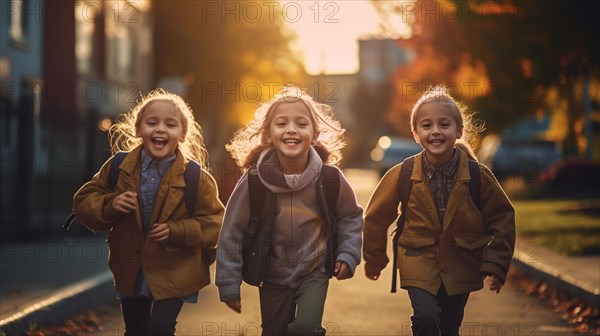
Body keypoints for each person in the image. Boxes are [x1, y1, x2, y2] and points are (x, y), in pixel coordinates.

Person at [363, 85, 516, 336]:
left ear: (459, 130)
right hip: (417, 260)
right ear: (415, 133)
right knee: (425, 317)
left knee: (449, 326)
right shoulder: (403, 173)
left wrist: (497, 264)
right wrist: (375, 258)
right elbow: (376, 218)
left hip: (462, 264)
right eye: (426, 125)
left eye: (444, 124)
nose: (435, 131)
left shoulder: (477, 175)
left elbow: (503, 217)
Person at [72, 88, 225, 336]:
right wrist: (111, 204)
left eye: (170, 124)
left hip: (177, 268)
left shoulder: (196, 178)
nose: (160, 129)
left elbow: (217, 223)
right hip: (132, 268)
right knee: (135, 329)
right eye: (152, 122)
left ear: (183, 134)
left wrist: (179, 230)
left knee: (160, 327)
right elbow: (84, 202)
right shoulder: (118, 167)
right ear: (138, 129)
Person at [216, 85, 363, 336]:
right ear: (268, 133)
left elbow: (350, 215)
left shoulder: (329, 178)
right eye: (281, 123)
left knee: (306, 328)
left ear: (314, 134)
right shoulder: (255, 180)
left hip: (313, 269)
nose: (291, 130)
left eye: (301, 124)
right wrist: (229, 283)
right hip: (272, 273)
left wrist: (348, 255)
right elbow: (232, 231)